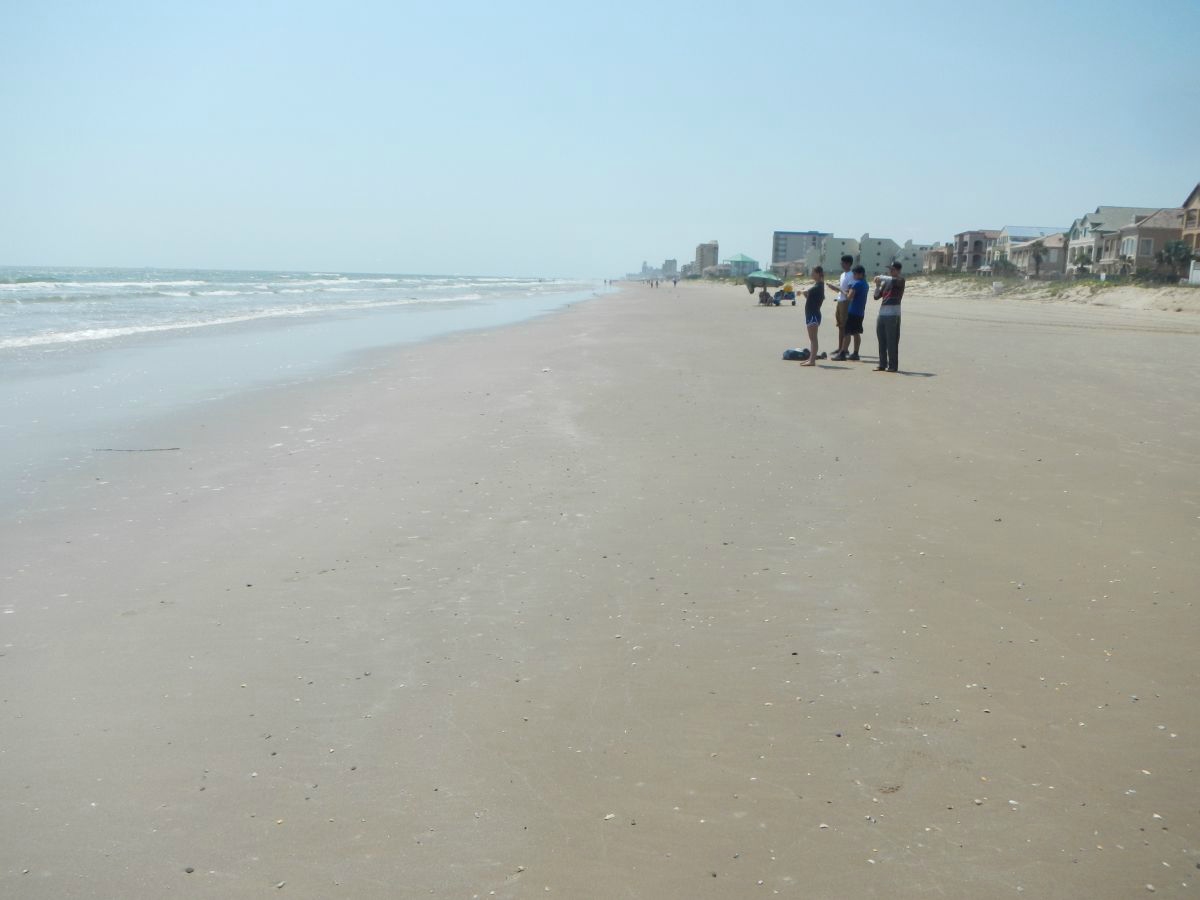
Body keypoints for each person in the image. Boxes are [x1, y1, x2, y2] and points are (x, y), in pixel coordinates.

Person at [873, 261, 905, 372]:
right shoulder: (886, 282)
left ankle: (893, 365)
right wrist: (877, 286)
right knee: (881, 340)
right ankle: (882, 364)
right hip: (882, 314)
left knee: (892, 341)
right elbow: (876, 296)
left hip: (893, 315)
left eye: (893, 269)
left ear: (898, 270)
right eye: (890, 269)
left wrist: (880, 277)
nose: (890, 271)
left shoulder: (900, 280)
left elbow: (893, 280)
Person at [838, 265, 869, 360]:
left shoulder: (857, 284)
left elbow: (849, 297)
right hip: (860, 312)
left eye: (855, 274)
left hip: (853, 311)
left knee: (847, 333)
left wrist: (843, 291)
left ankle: (843, 353)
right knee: (856, 332)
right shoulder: (865, 284)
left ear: (860, 274)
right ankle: (856, 353)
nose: (854, 276)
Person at [831, 254, 858, 361]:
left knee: (845, 325)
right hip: (840, 300)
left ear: (848, 263)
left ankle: (844, 349)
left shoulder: (851, 275)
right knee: (840, 325)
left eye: (843, 262)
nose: (841, 264)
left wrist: (837, 289)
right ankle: (840, 347)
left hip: (846, 302)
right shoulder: (843, 274)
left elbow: (849, 291)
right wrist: (835, 289)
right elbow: (842, 289)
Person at [798, 266, 826, 367]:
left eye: (813, 273)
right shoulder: (818, 286)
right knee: (812, 338)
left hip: (814, 314)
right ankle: (811, 358)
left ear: (818, 274)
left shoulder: (818, 286)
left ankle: (812, 360)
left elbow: (809, 292)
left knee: (813, 338)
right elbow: (809, 297)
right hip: (812, 313)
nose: (812, 274)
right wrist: (805, 293)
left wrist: (803, 292)